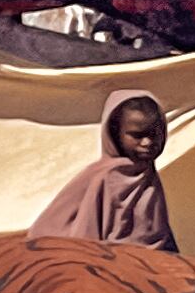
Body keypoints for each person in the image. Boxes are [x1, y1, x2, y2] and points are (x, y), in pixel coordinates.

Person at [34, 91, 177, 248]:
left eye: (154, 134)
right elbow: (87, 231)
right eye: (137, 135)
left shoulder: (147, 174)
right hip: (112, 261)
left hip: (151, 262)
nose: (147, 142)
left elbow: (158, 229)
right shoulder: (106, 176)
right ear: (115, 133)